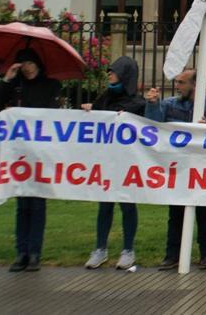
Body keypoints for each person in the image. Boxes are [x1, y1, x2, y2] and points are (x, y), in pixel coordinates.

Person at [143, 68, 206, 270]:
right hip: (179, 167)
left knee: (203, 211)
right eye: (177, 82)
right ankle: (172, 254)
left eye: (181, 82)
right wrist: (152, 104)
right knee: (175, 211)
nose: (177, 86)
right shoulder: (170, 105)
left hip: (203, 167)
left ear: (195, 85)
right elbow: (153, 125)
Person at [0, 48, 62, 272]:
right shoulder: (15, 87)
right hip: (19, 155)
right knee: (22, 205)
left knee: (37, 204)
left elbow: (53, 113)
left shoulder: (51, 85)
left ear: (37, 64)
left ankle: (35, 252)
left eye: (29, 62)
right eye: (22, 64)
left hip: (40, 154)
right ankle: (21, 252)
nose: (26, 67)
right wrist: (7, 79)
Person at [82, 55, 145, 270]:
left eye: (114, 70)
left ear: (125, 74)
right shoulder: (104, 99)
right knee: (105, 205)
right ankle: (100, 248)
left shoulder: (137, 104)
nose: (109, 74)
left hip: (128, 164)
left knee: (127, 205)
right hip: (107, 162)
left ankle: (128, 249)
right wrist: (89, 113)